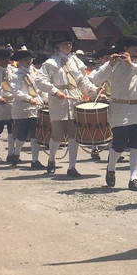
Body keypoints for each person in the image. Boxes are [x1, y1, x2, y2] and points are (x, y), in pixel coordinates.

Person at [90, 35, 137, 190]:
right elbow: (97, 80)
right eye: (134, 49)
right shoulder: (114, 64)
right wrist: (110, 65)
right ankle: (111, 167)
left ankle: (133, 178)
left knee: (136, 144)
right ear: (125, 49)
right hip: (119, 107)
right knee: (119, 143)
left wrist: (132, 65)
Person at [36, 38, 97, 177]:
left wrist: (94, 91)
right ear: (58, 45)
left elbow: (83, 82)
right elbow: (40, 80)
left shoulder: (76, 62)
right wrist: (54, 91)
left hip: (75, 99)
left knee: (73, 134)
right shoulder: (51, 62)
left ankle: (72, 167)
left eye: (70, 43)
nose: (68, 45)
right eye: (65, 43)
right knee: (57, 134)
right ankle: (51, 159)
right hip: (58, 101)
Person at [8, 49, 46, 169]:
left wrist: (45, 100)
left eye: (30, 59)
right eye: (25, 59)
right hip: (22, 108)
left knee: (36, 135)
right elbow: (15, 92)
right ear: (20, 61)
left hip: (36, 107)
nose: (28, 61)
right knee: (22, 135)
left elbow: (41, 89)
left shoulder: (37, 73)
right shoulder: (15, 75)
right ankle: (16, 153)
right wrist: (29, 98)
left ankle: (35, 160)